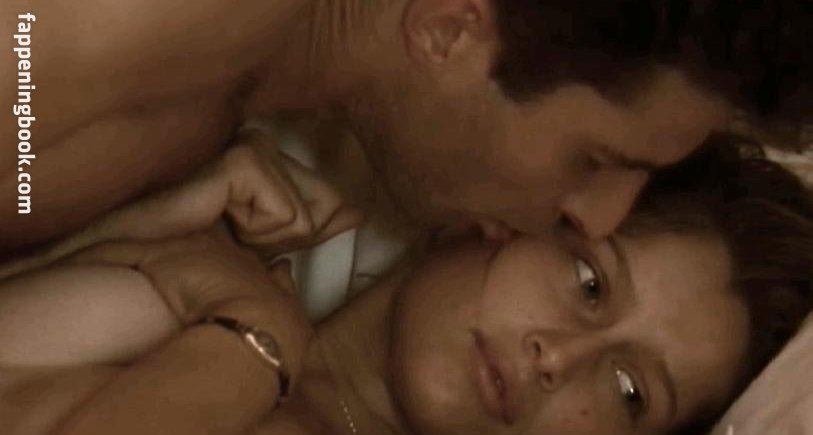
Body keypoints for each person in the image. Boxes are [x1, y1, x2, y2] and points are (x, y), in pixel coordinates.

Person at [0, 133, 810, 435]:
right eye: (589, 283)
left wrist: (254, 341)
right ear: (515, 215)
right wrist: (135, 229)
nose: (558, 357)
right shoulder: (193, 275)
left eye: (630, 392)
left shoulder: (239, 318)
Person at [1, 0, 810, 255]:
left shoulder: (227, 81)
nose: (598, 220)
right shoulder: (151, 17)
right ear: (448, 31)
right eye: (595, 159)